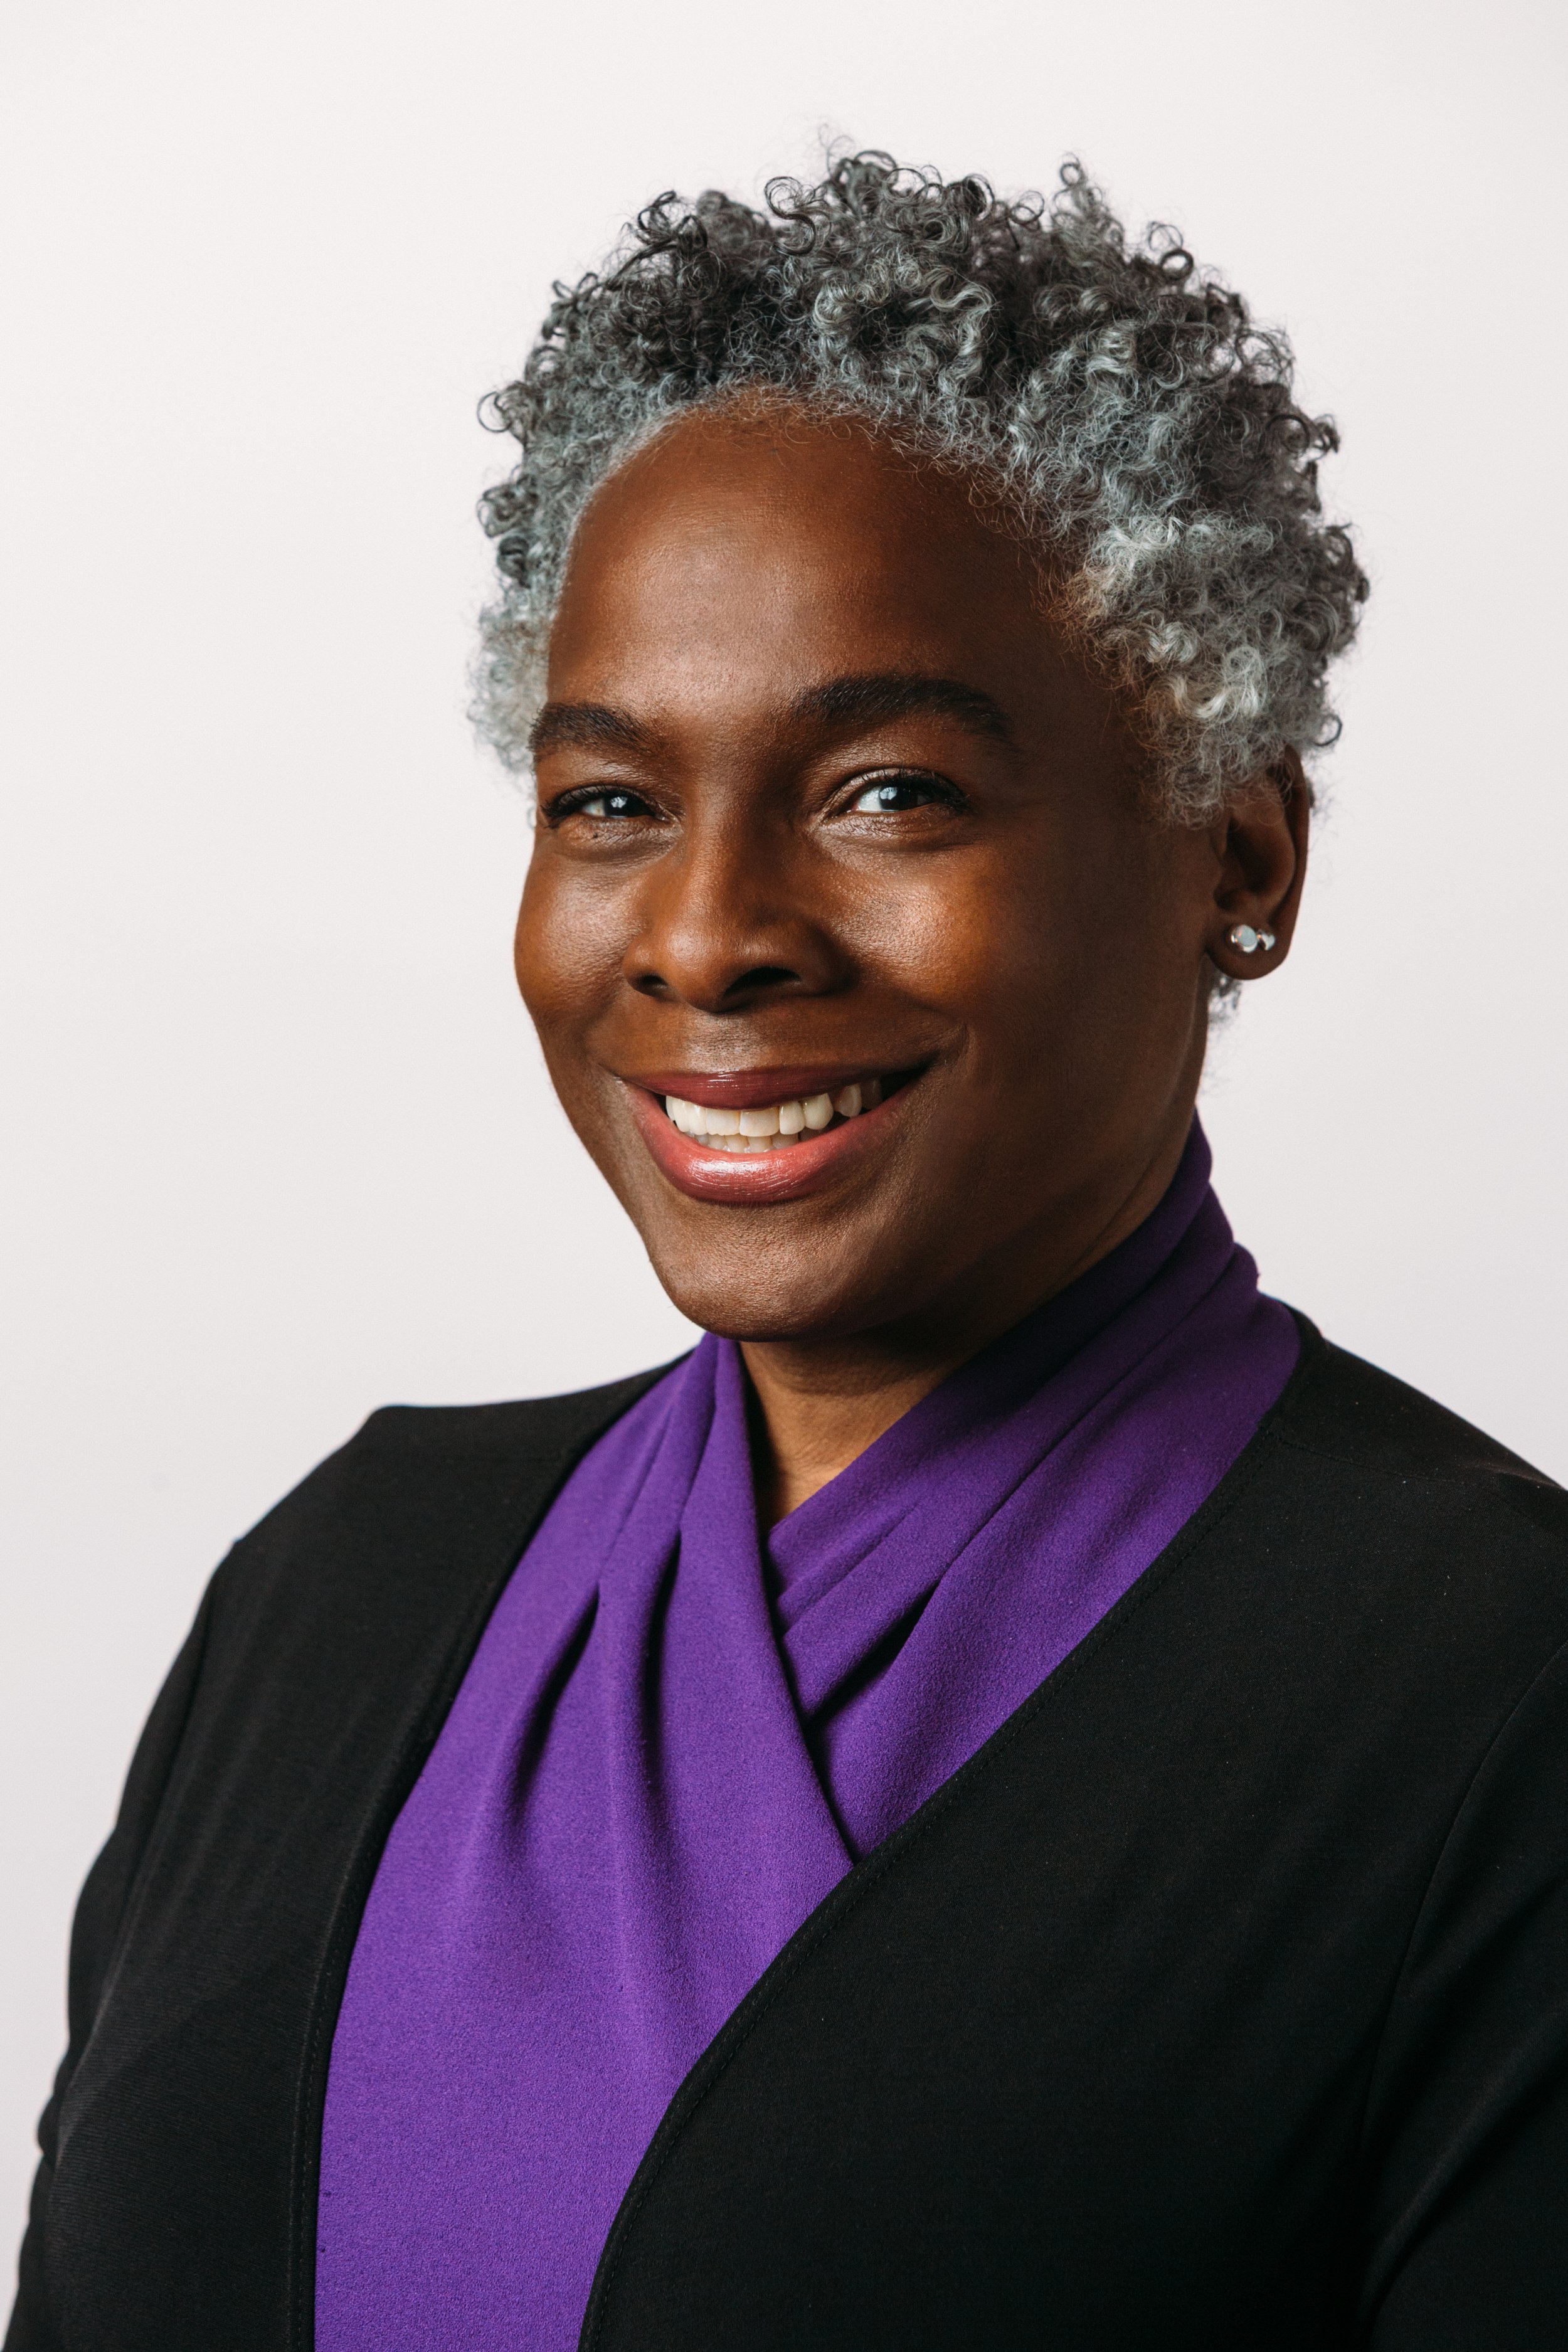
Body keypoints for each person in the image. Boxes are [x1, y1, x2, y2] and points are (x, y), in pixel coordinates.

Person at [9, 154, 1566, 2352]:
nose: (710, 935)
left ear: (1239, 852)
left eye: (890, 793)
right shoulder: (338, 1586)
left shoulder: (1493, 1704)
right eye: (611, 802)